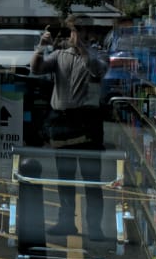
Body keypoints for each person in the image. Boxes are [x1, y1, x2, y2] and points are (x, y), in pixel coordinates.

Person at [32, 18, 109, 242]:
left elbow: (96, 71)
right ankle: (66, 222)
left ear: (87, 33)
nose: (72, 35)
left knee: (91, 179)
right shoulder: (59, 55)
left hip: (88, 123)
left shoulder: (99, 54)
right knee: (65, 177)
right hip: (62, 122)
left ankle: (94, 228)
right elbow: (36, 69)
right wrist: (41, 47)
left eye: (76, 31)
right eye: (72, 31)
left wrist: (80, 46)